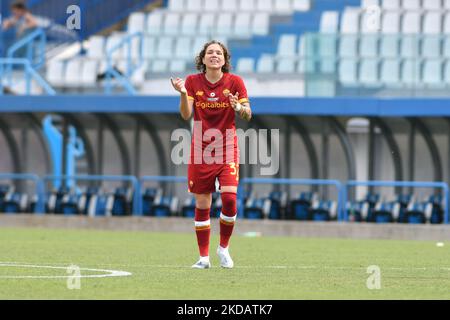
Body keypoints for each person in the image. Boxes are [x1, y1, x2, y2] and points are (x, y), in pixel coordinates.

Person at [171, 40, 252, 269]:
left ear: (225, 59)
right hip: (200, 149)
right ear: (203, 59)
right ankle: (204, 258)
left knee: (229, 199)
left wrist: (238, 108)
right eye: (210, 52)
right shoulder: (192, 82)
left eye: (219, 52)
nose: (214, 55)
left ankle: (223, 248)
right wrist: (183, 93)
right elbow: (186, 114)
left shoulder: (235, 82)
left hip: (227, 147)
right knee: (203, 202)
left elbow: (248, 114)